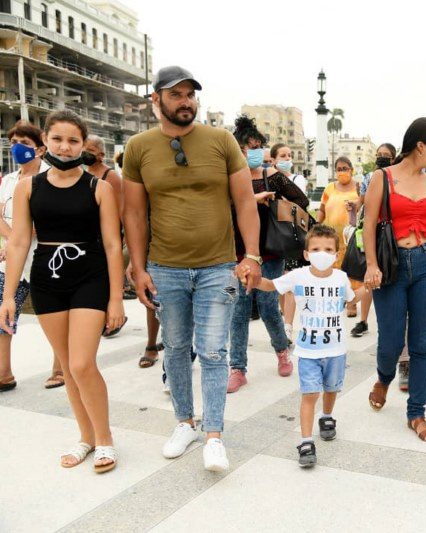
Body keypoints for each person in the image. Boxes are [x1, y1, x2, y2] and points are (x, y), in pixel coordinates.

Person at [123, 66, 262, 472]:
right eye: (176, 94)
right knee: (177, 348)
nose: (186, 101)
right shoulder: (138, 147)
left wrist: (251, 255)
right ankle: (184, 422)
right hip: (164, 267)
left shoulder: (220, 142)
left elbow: (245, 202)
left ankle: (214, 434)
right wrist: (137, 264)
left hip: (218, 266)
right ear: (157, 101)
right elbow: (134, 212)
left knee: (214, 350)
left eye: (190, 94)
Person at [0, 110, 124, 472]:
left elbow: (114, 246)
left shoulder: (98, 188)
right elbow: (20, 241)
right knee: (68, 367)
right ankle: (85, 437)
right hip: (47, 280)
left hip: (90, 276)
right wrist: (9, 296)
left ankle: (105, 439)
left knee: (83, 363)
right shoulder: (28, 187)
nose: (65, 147)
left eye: (73, 140)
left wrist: (116, 297)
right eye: (57, 139)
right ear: (45, 143)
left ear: (83, 145)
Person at [363, 117, 426, 443]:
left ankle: (416, 413)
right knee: (389, 343)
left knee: (421, 344)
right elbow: (369, 224)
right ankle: (384, 378)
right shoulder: (382, 178)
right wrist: (371, 264)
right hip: (391, 267)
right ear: (420, 146)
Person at [244, 224, 366, 467]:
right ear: (307, 253)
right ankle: (306, 441)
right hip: (308, 351)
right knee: (310, 394)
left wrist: (370, 286)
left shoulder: (341, 278)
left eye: (328, 248)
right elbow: (272, 285)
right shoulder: (298, 276)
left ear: (335, 254)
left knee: (331, 389)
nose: (323, 253)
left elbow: (352, 298)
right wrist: (255, 280)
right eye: (316, 248)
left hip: (336, 350)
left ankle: (328, 416)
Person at [228, 115, 308, 392]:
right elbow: (221, 205)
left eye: (259, 146)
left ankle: (282, 351)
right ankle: (237, 367)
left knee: (268, 306)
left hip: (271, 251)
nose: (256, 152)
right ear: (239, 149)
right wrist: (253, 200)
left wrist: (276, 203)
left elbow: (302, 201)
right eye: (250, 147)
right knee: (237, 310)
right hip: (236, 252)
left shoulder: (270, 176)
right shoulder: (230, 177)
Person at [0, 121, 62, 396]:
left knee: (52, 312)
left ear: (40, 149)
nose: (18, 148)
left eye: (25, 144)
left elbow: (44, 221)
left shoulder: (51, 177)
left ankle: (60, 367)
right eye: (14, 142)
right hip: (11, 259)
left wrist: (18, 242)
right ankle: (3, 373)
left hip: (43, 257)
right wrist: (11, 243)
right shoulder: (9, 180)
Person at [83, 134, 129, 338]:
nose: (85, 153)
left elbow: (122, 211)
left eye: (90, 150)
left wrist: (125, 239)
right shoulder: (81, 174)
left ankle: (115, 317)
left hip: (107, 238)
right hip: (88, 238)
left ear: (101, 155)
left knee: (107, 282)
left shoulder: (110, 177)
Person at [350, 143, 397, 339]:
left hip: (391, 233)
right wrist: (353, 206)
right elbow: (361, 200)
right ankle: (363, 320)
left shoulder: (397, 176)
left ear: (393, 158)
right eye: (379, 154)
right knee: (368, 275)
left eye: (386, 155)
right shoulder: (369, 177)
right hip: (371, 231)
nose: (381, 157)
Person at [267, 143, 306, 340]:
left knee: (289, 282)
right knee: (281, 283)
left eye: (289, 155)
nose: (288, 158)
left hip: (290, 236)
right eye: (283, 155)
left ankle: (288, 327)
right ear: (273, 160)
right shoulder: (265, 179)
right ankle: (284, 320)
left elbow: (300, 203)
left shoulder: (297, 179)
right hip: (272, 236)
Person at [316, 156, 361, 317]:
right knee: (332, 271)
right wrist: (316, 223)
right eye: (339, 169)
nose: (342, 172)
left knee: (351, 272)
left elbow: (365, 206)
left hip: (350, 238)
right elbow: (321, 209)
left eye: (345, 168)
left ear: (351, 169)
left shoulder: (358, 187)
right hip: (331, 238)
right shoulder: (329, 188)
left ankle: (352, 304)